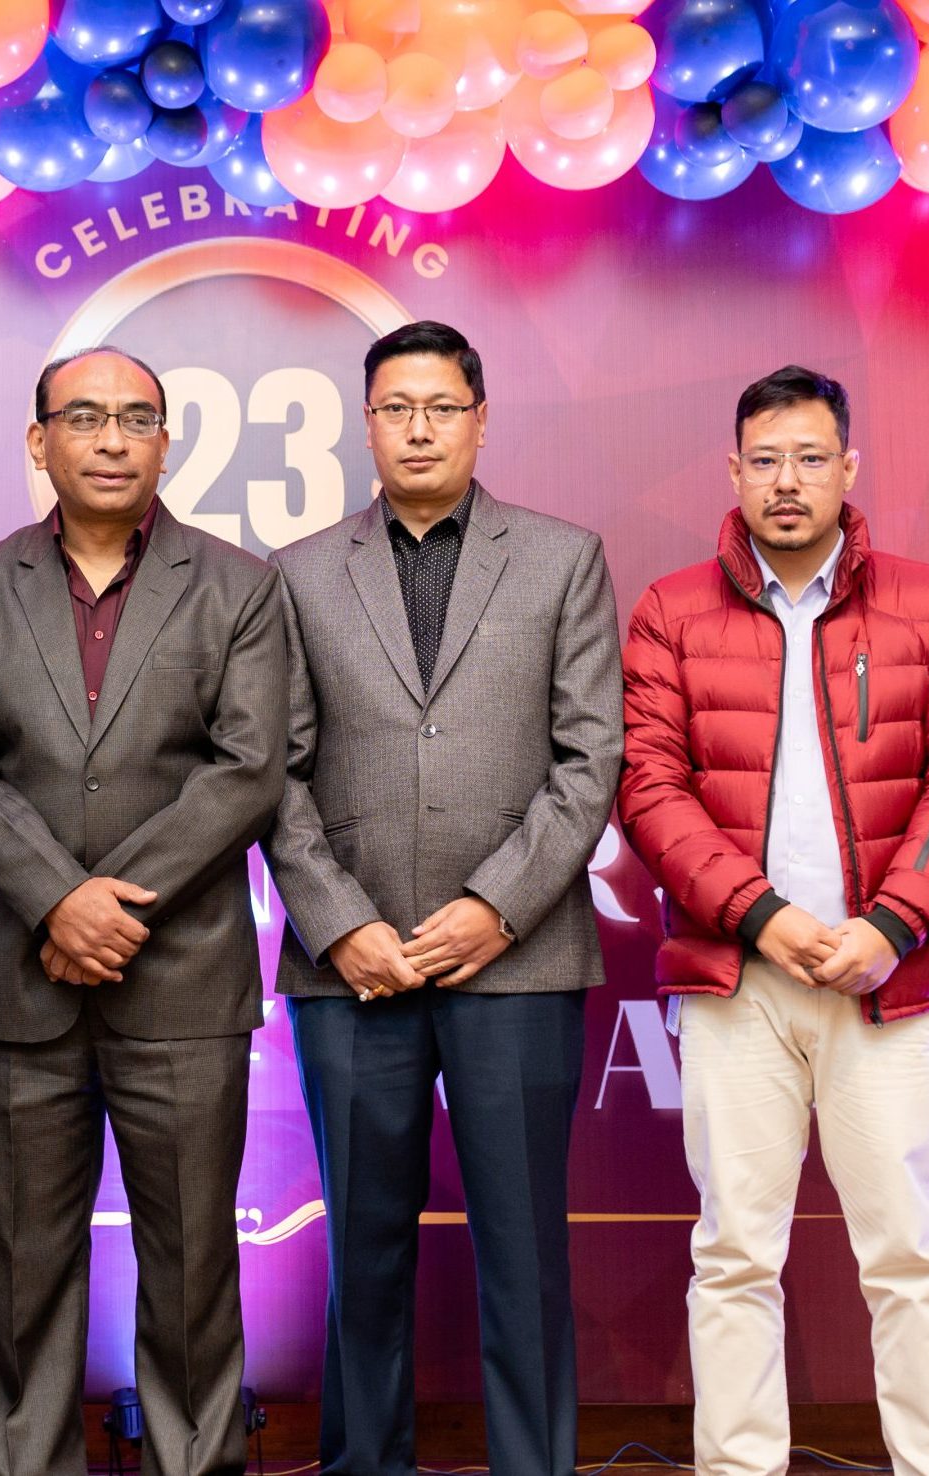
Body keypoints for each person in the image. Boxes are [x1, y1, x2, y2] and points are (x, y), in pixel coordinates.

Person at [262, 320, 623, 1476]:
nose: (417, 428)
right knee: (360, 1257)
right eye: (394, 408)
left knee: (523, 1255)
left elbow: (589, 761)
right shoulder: (297, 573)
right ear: (365, 423)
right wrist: (339, 923)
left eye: (440, 407)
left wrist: (495, 906)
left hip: (516, 961)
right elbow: (271, 772)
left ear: (478, 418)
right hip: (351, 970)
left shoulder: (560, 558)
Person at [0, 347, 285, 1476]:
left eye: (136, 418)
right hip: (20, 979)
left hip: (182, 979)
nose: (112, 438)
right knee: (25, 1269)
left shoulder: (235, 585)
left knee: (191, 1269)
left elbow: (247, 769)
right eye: (84, 418)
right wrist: (56, 903)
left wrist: (109, 908)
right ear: (39, 441)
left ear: (166, 441)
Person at [618, 365, 929, 1476]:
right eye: (765, 460)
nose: (787, 481)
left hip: (886, 984)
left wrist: (890, 926)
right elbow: (648, 788)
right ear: (733, 472)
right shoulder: (670, 610)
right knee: (732, 1257)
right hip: (739, 983)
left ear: (847, 468)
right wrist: (762, 917)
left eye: (809, 458)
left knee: (908, 1257)